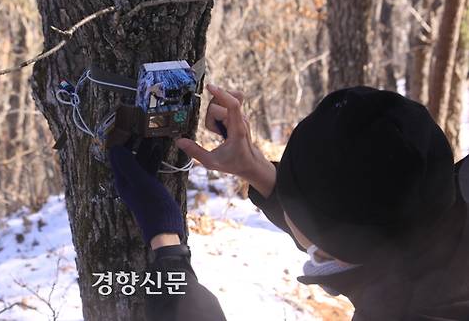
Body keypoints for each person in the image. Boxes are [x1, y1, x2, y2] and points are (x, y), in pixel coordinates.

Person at [109, 85, 469, 321]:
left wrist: (168, 253)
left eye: (295, 194)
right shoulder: (439, 206)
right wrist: (257, 171)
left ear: (333, 255)